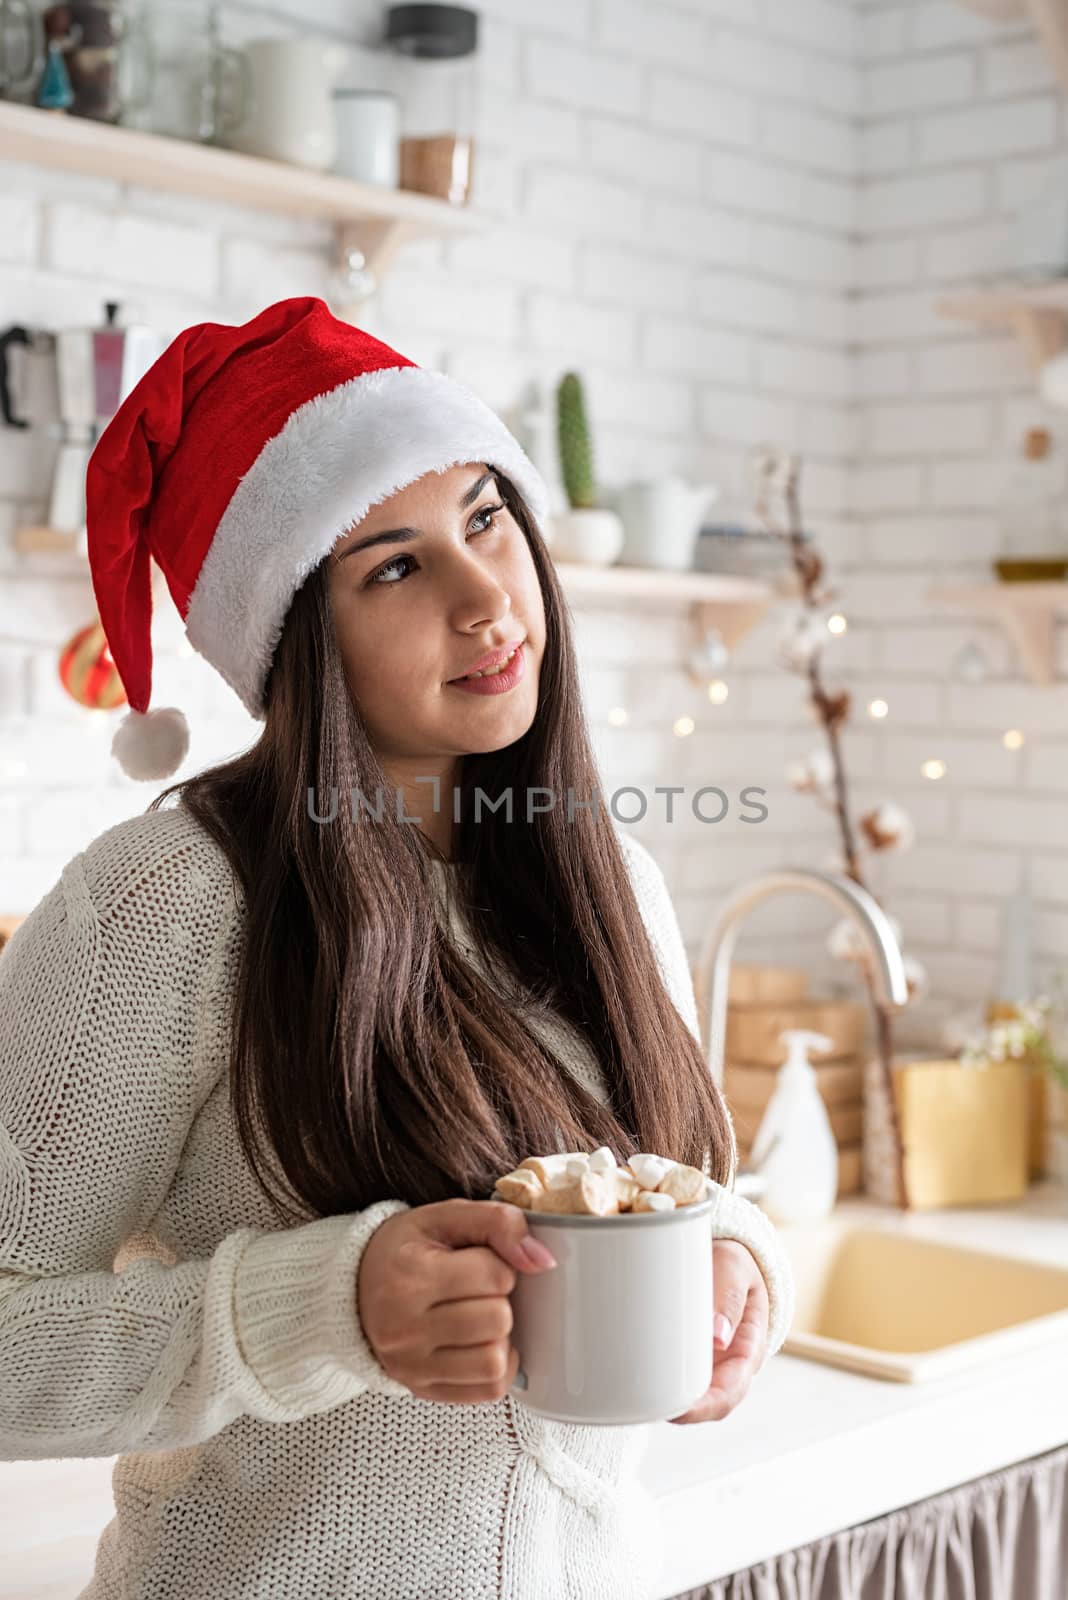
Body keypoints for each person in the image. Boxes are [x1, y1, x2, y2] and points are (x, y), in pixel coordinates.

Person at [0, 297, 795, 1600]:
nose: (487, 600)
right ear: (297, 633)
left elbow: (679, 1179)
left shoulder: (613, 886)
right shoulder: (168, 904)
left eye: (486, 519)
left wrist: (738, 1266)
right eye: (394, 566)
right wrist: (323, 1309)